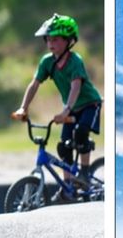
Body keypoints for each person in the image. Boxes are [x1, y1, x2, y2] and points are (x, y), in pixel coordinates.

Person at [13, 13, 102, 197]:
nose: (50, 43)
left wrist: (65, 111)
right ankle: (67, 184)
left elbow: (75, 86)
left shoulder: (75, 60)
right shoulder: (47, 62)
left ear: (69, 40)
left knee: (81, 133)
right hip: (69, 108)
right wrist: (24, 107)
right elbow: (34, 84)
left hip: (88, 104)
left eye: (56, 39)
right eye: (48, 39)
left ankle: (85, 173)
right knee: (64, 146)